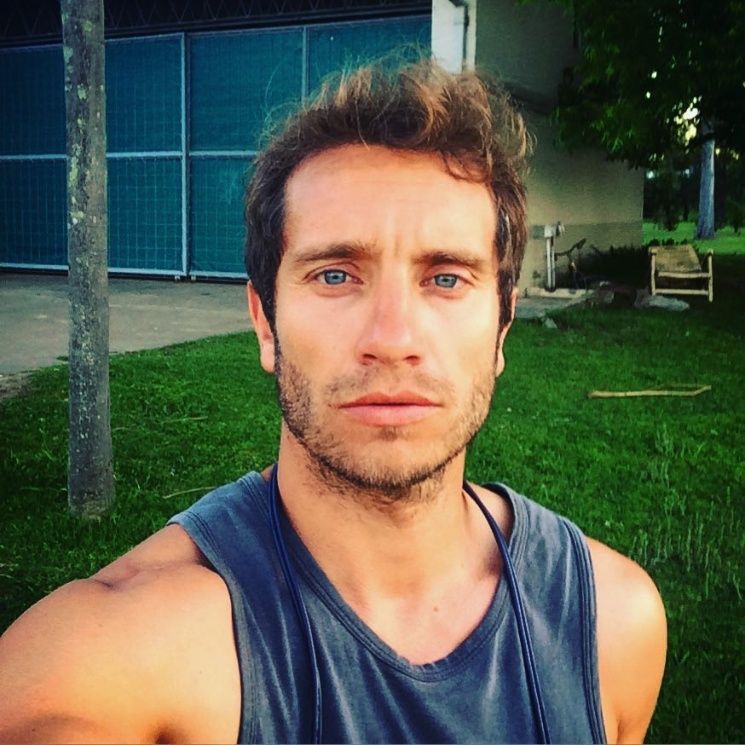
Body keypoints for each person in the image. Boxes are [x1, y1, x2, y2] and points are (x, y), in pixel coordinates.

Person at [0, 60, 666, 744]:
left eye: (445, 278)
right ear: (265, 323)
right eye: (336, 275)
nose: (392, 340)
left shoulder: (612, 625)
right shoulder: (130, 647)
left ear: (501, 327)